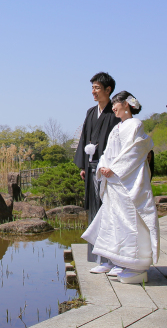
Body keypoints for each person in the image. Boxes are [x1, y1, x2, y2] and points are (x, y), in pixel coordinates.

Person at [81, 91, 159, 284]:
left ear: (126, 105)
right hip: (114, 183)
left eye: (116, 104)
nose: (113, 107)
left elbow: (135, 151)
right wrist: (103, 167)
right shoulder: (118, 127)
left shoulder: (136, 124)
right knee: (114, 222)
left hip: (127, 181)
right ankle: (118, 261)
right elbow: (108, 152)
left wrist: (114, 168)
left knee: (130, 221)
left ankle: (136, 264)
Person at [73, 72, 120, 264]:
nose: (93, 91)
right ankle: (96, 256)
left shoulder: (114, 113)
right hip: (91, 166)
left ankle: (110, 257)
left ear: (108, 90)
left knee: (108, 210)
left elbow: (118, 142)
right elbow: (85, 138)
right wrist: (83, 165)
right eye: (92, 87)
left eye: (97, 88)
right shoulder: (91, 112)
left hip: (107, 169)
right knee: (93, 209)